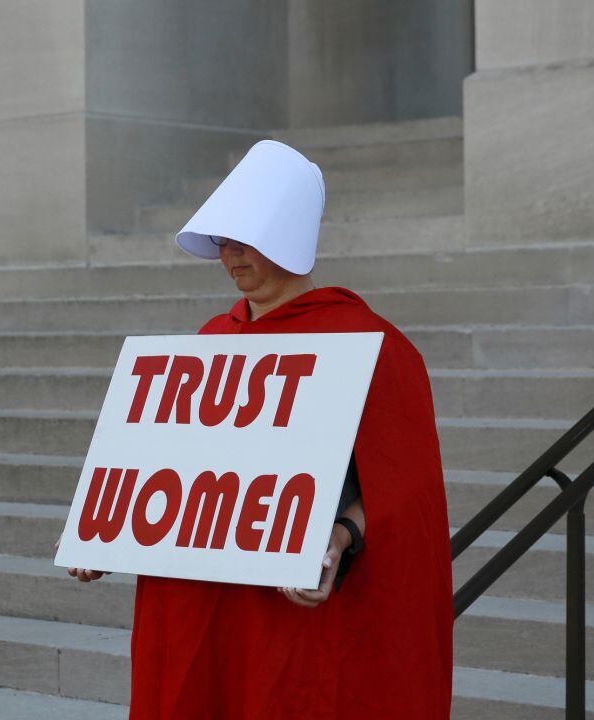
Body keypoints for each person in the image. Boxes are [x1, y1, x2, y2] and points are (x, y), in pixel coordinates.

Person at [66, 139, 453, 718]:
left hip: (297, 617)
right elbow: (175, 472)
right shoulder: (211, 338)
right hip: (205, 606)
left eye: (245, 239)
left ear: (286, 237)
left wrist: (340, 538)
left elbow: (403, 490)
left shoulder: (373, 346)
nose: (231, 255)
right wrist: (111, 533)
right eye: (222, 239)